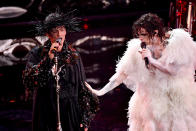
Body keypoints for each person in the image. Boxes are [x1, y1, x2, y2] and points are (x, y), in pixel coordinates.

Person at [87, 13, 196, 130]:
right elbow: (122, 73)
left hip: (175, 103)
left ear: (155, 32)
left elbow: (173, 70)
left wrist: (151, 60)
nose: (140, 38)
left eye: (143, 34)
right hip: (151, 105)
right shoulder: (137, 48)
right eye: (139, 35)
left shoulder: (176, 44)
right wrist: (100, 92)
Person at [22, 10, 99, 131]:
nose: (59, 34)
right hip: (47, 113)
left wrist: (86, 117)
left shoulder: (74, 56)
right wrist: (49, 59)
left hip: (71, 114)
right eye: (54, 30)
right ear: (47, 34)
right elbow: (29, 82)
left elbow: (83, 88)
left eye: (62, 29)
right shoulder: (36, 54)